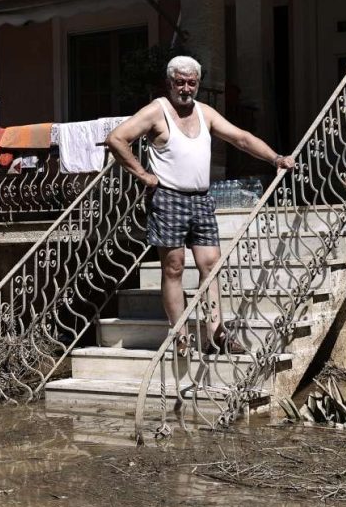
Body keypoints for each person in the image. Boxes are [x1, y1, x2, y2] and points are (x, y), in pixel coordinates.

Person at [106, 55, 295, 355]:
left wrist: (275, 159)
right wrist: (143, 175)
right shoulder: (158, 111)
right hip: (168, 198)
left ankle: (216, 334)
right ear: (170, 83)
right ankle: (180, 335)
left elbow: (242, 139)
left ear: (198, 84)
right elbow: (116, 139)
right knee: (174, 267)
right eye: (179, 82)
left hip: (201, 199)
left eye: (191, 83)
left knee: (211, 265)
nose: (185, 88)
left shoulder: (205, 113)